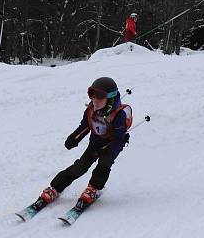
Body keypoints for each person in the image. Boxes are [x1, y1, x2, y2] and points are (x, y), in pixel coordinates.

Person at [36, 77, 132, 208]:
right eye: (92, 94)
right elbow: (85, 126)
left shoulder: (119, 115)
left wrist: (109, 150)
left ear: (110, 98)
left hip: (112, 145)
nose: (94, 99)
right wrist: (74, 138)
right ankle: (55, 187)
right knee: (80, 167)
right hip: (96, 143)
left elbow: (119, 139)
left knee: (104, 164)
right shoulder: (90, 110)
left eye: (99, 96)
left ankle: (93, 188)